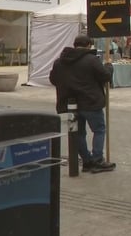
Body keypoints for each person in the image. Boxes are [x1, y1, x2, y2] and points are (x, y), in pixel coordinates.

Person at [50, 34, 116, 173]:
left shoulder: (59, 61)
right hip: (91, 102)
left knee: (78, 134)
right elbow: (105, 76)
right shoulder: (91, 60)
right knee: (99, 130)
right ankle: (97, 159)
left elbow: (53, 79)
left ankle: (86, 161)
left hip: (70, 105)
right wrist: (109, 67)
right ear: (88, 46)